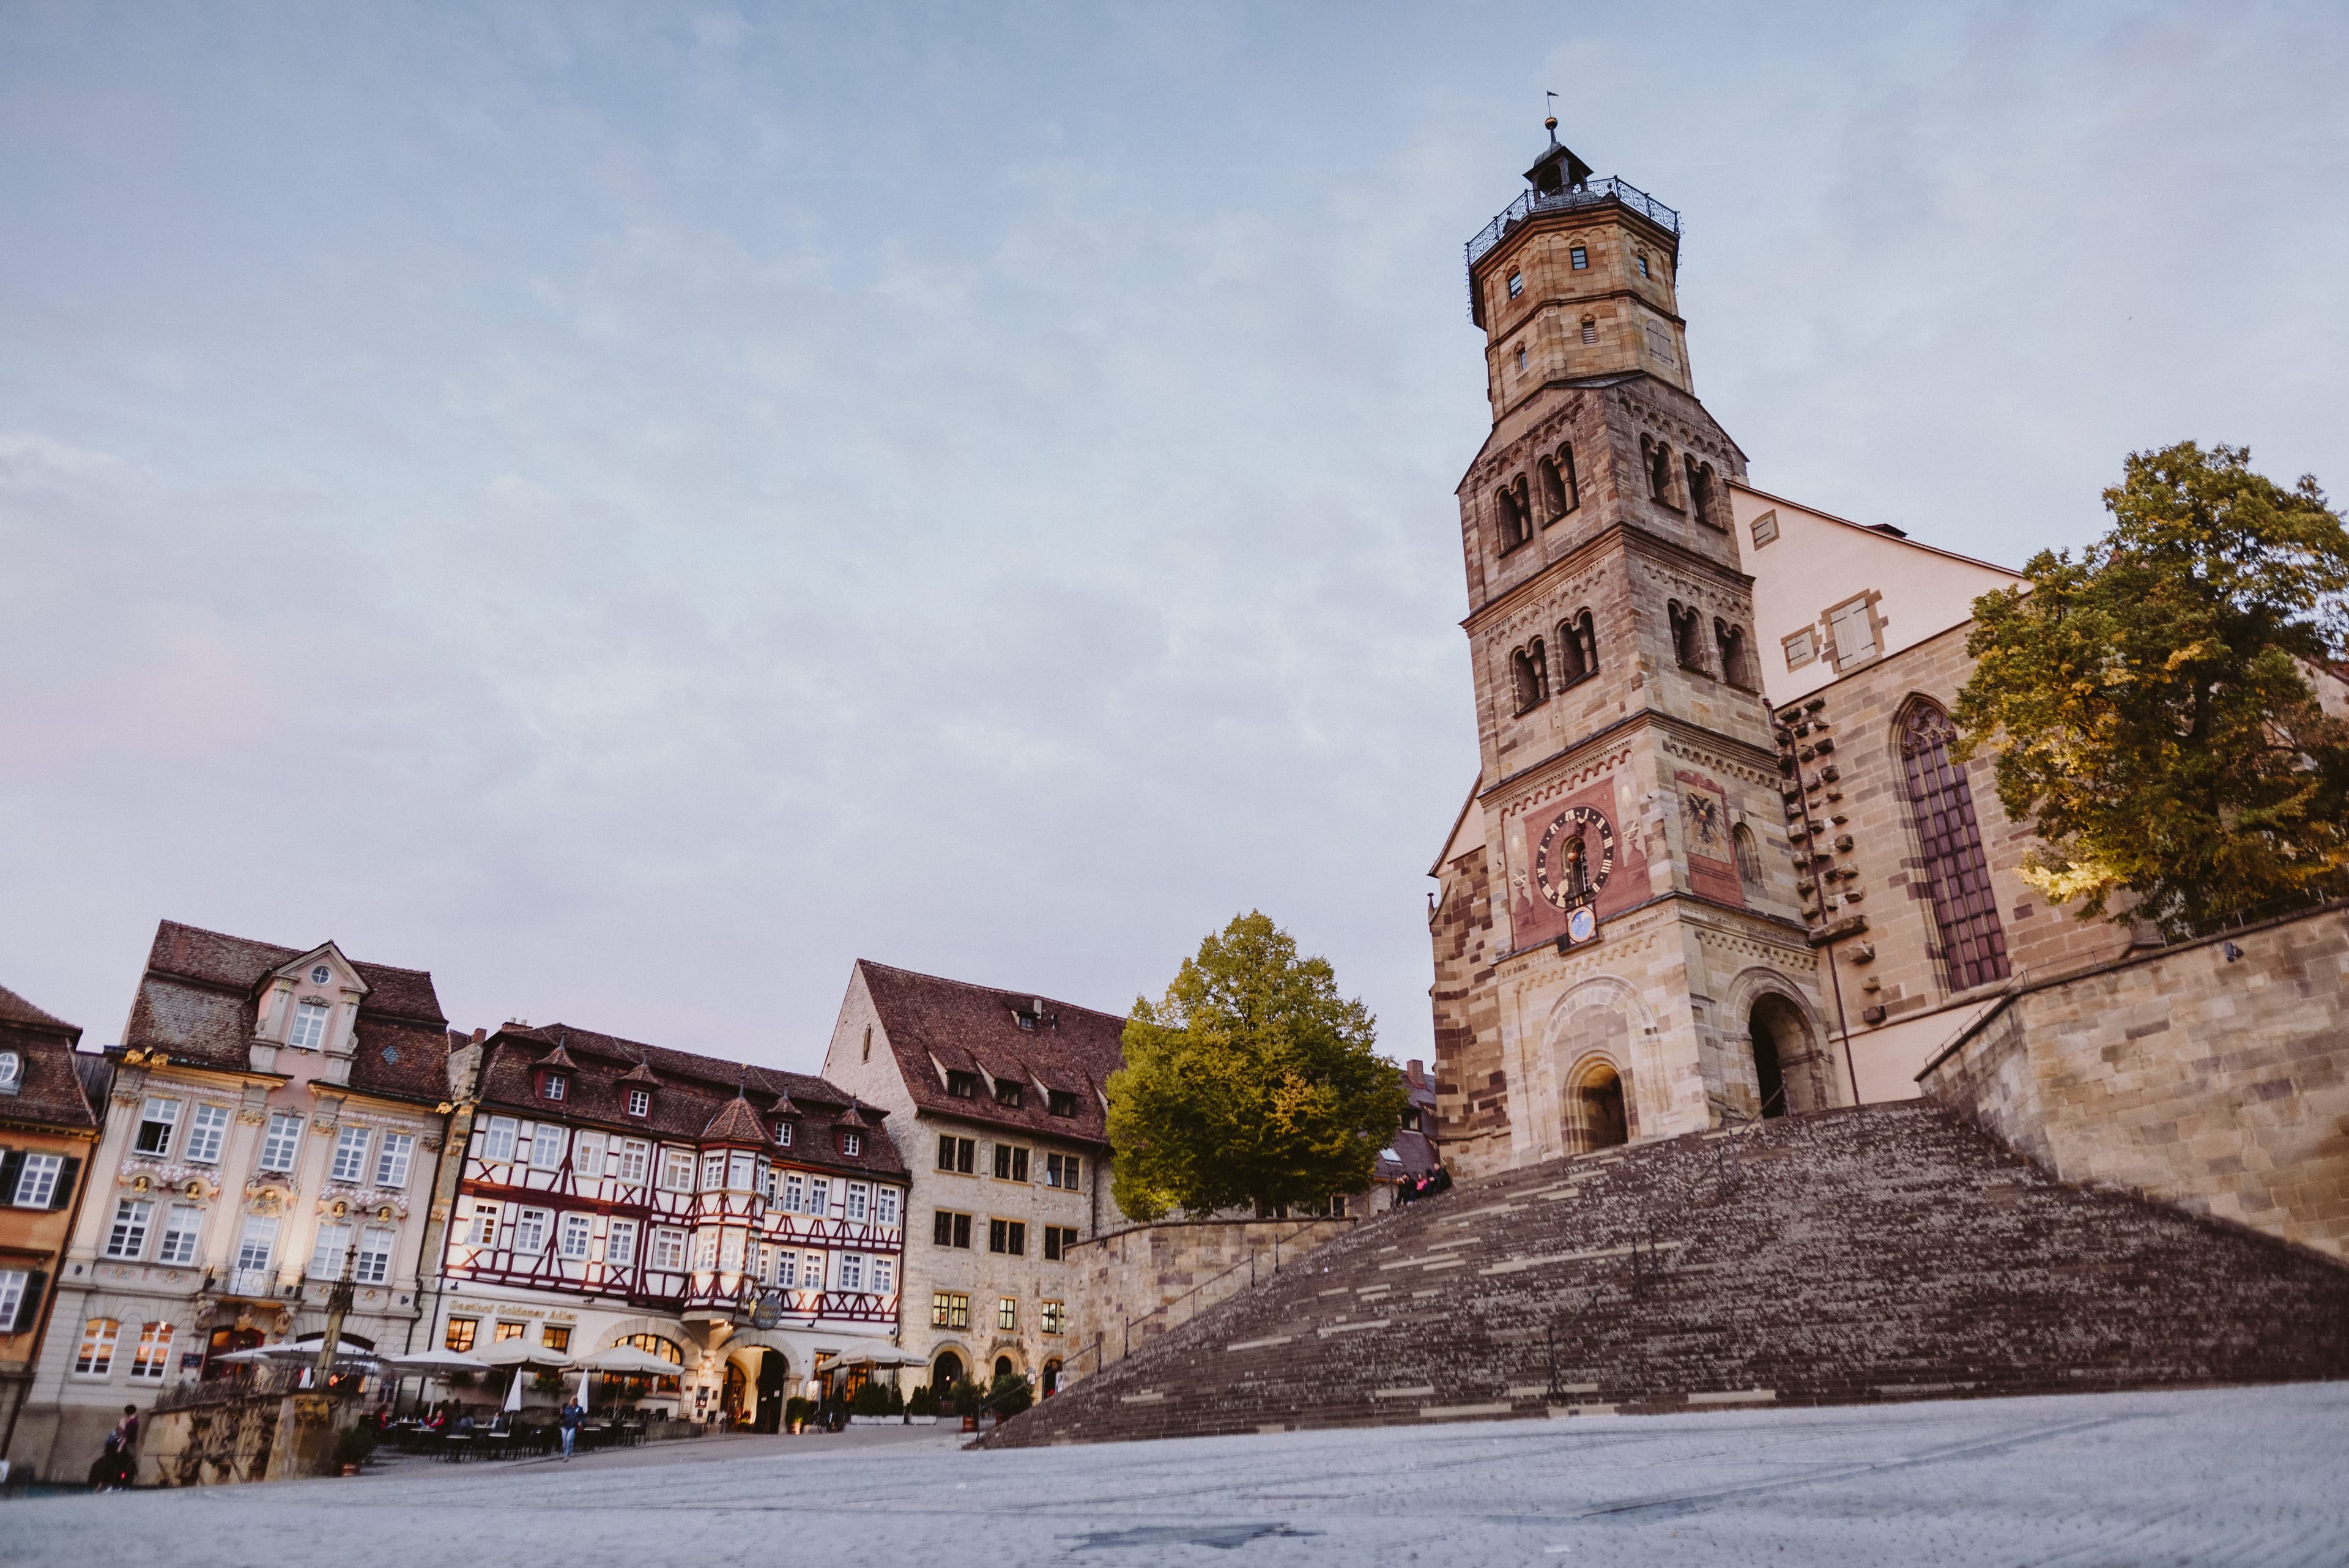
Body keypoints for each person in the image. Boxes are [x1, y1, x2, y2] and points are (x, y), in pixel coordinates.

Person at [557, 1397, 583, 1461]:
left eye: (573, 1401)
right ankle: (565, 1452)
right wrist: (561, 1413)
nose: (571, 1402)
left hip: (573, 1426)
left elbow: (582, 1417)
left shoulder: (579, 1409)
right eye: (571, 1401)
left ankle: (567, 1455)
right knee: (564, 1440)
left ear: (576, 1402)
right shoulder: (567, 1408)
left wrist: (580, 1422)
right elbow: (562, 1417)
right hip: (565, 1426)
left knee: (569, 1439)